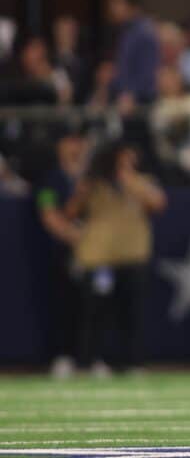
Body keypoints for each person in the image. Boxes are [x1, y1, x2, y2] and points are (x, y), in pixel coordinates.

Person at [66, 142, 166, 375]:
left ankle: (132, 362)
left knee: (132, 314)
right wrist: (84, 189)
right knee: (95, 311)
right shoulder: (93, 183)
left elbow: (159, 203)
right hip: (101, 259)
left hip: (133, 256)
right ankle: (89, 361)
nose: (127, 163)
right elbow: (70, 211)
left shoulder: (141, 181)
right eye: (122, 159)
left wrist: (128, 180)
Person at [36, 127, 89, 378]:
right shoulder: (51, 179)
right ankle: (63, 355)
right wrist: (75, 237)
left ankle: (91, 356)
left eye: (80, 141)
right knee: (63, 304)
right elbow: (49, 214)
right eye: (71, 141)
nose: (76, 147)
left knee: (94, 306)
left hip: (93, 255)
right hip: (62, 253)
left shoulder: (92, 179)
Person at [107, 0, 159, 110]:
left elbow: (148, 70)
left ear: (132, 6)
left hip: (138, 102)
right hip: (123, 99)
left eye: (118, 3)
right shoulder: (125, 31)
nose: (113, 8)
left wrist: (132, 95)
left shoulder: (144, 32)